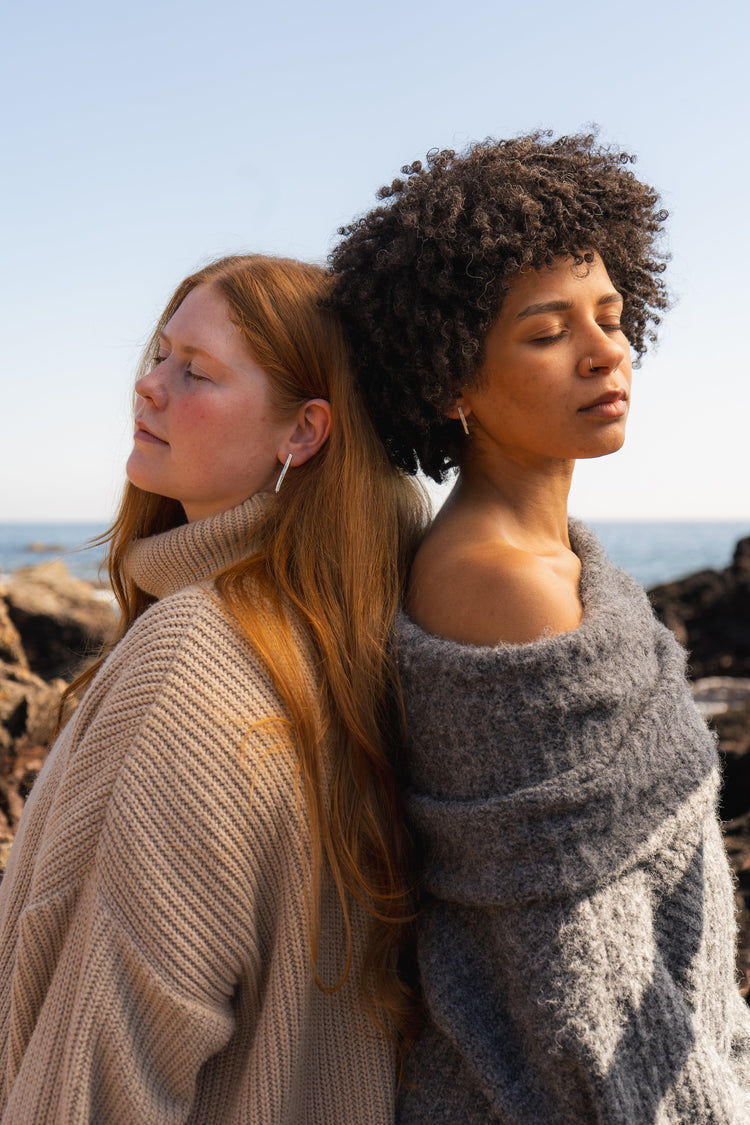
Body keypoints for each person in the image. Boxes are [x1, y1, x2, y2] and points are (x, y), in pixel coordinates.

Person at [330, 133, 750, 1123]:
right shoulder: (493, 580)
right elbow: (581, 973)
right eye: (547, 331)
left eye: (610, 316)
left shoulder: (564, 560)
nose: (606, 351)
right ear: (447, 381)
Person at [0, 254, 426, 1123]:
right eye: (159, 355)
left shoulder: (196, 658)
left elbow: (107, 1058)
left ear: (303, 433)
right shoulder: (343, 641)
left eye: (194, 371)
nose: (147, 388)